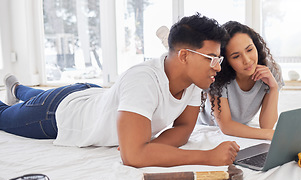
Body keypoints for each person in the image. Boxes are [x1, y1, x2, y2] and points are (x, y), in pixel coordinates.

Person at [0, 14, 240, 168]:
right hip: (58, 113)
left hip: (92, 95)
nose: (217, 67)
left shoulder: (193, 81)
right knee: (4, 116)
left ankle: (18, 88)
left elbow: (184, 129)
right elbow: (133, 156)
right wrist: (207, 156)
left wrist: (151, 147)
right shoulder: (143, 80)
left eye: (218, 59)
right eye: (211, 58)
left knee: (32, 97)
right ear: (185, 56)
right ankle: (18, 92)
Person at [198, 21, 284, 140]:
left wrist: (273, 87)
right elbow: (226, 126)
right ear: (226, 61)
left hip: (241, 126)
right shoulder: (218, 76)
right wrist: (270, 134)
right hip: (208, 125)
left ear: (256, 46)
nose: (247, 60)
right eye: (236, 56)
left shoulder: (271, 70)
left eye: (249, 50)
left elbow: (267, 125)